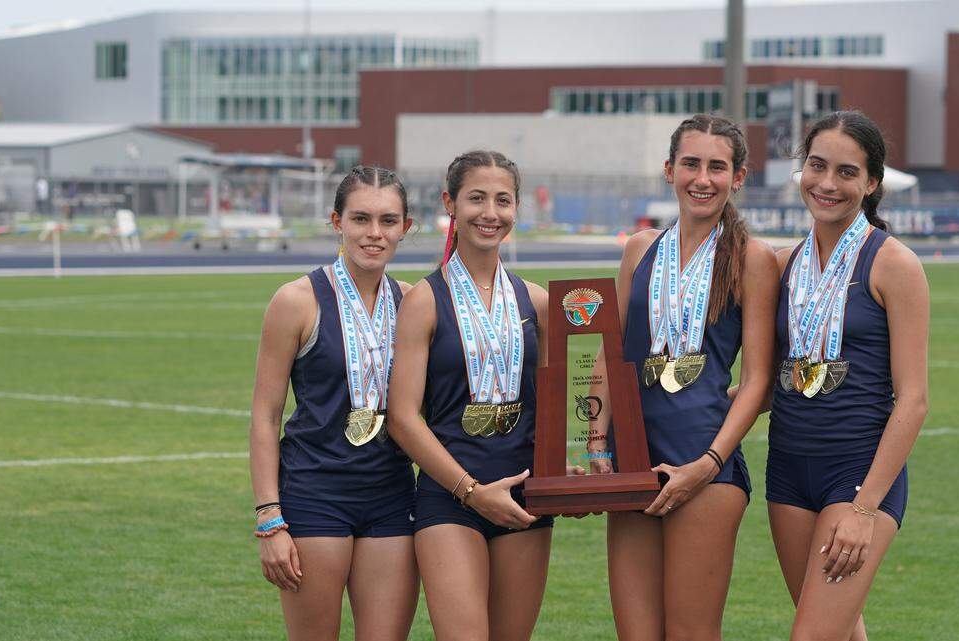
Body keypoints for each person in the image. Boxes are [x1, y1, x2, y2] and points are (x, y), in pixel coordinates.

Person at [587, 114, 779, 641]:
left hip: (704, 469)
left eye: (718, 167)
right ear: (669, 170)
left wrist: (708, 463)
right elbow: (609, 356)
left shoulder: (753, 259)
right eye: (691, 163)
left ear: (738, 177)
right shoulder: (640, 249)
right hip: (631, 465)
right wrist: (594, 442)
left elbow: (758, 379)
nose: (703, 178)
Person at [767, 110, 930, 641]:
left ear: (871, 182)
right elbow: (780, 378)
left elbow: (913, 400)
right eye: (816, 166)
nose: (827, 184)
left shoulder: (893, 264)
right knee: (838, 632)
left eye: (846, 172)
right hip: (788, 470)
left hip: (857, 474)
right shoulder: (785, 262)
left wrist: (864, 508)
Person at [387, 150, 560, 641]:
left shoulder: (539, 302)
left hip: (525, 500)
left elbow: (566, 404)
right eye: (476, 198)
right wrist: (470, 490)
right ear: (450, 203)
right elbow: (402, 418)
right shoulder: (423, 300)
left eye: (502, 201)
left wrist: (588, 463)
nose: (490, 213)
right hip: (450, 498)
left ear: (516, 208)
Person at [249, 166, 418, 641]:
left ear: (406, 228)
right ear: (336, 221)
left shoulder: (413, 302)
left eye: (388, 221)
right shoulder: (296, 301)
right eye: (361, 218)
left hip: (392, 496)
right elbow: (265, 417)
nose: (374, 233)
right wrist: (269, 517)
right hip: (315, 495)